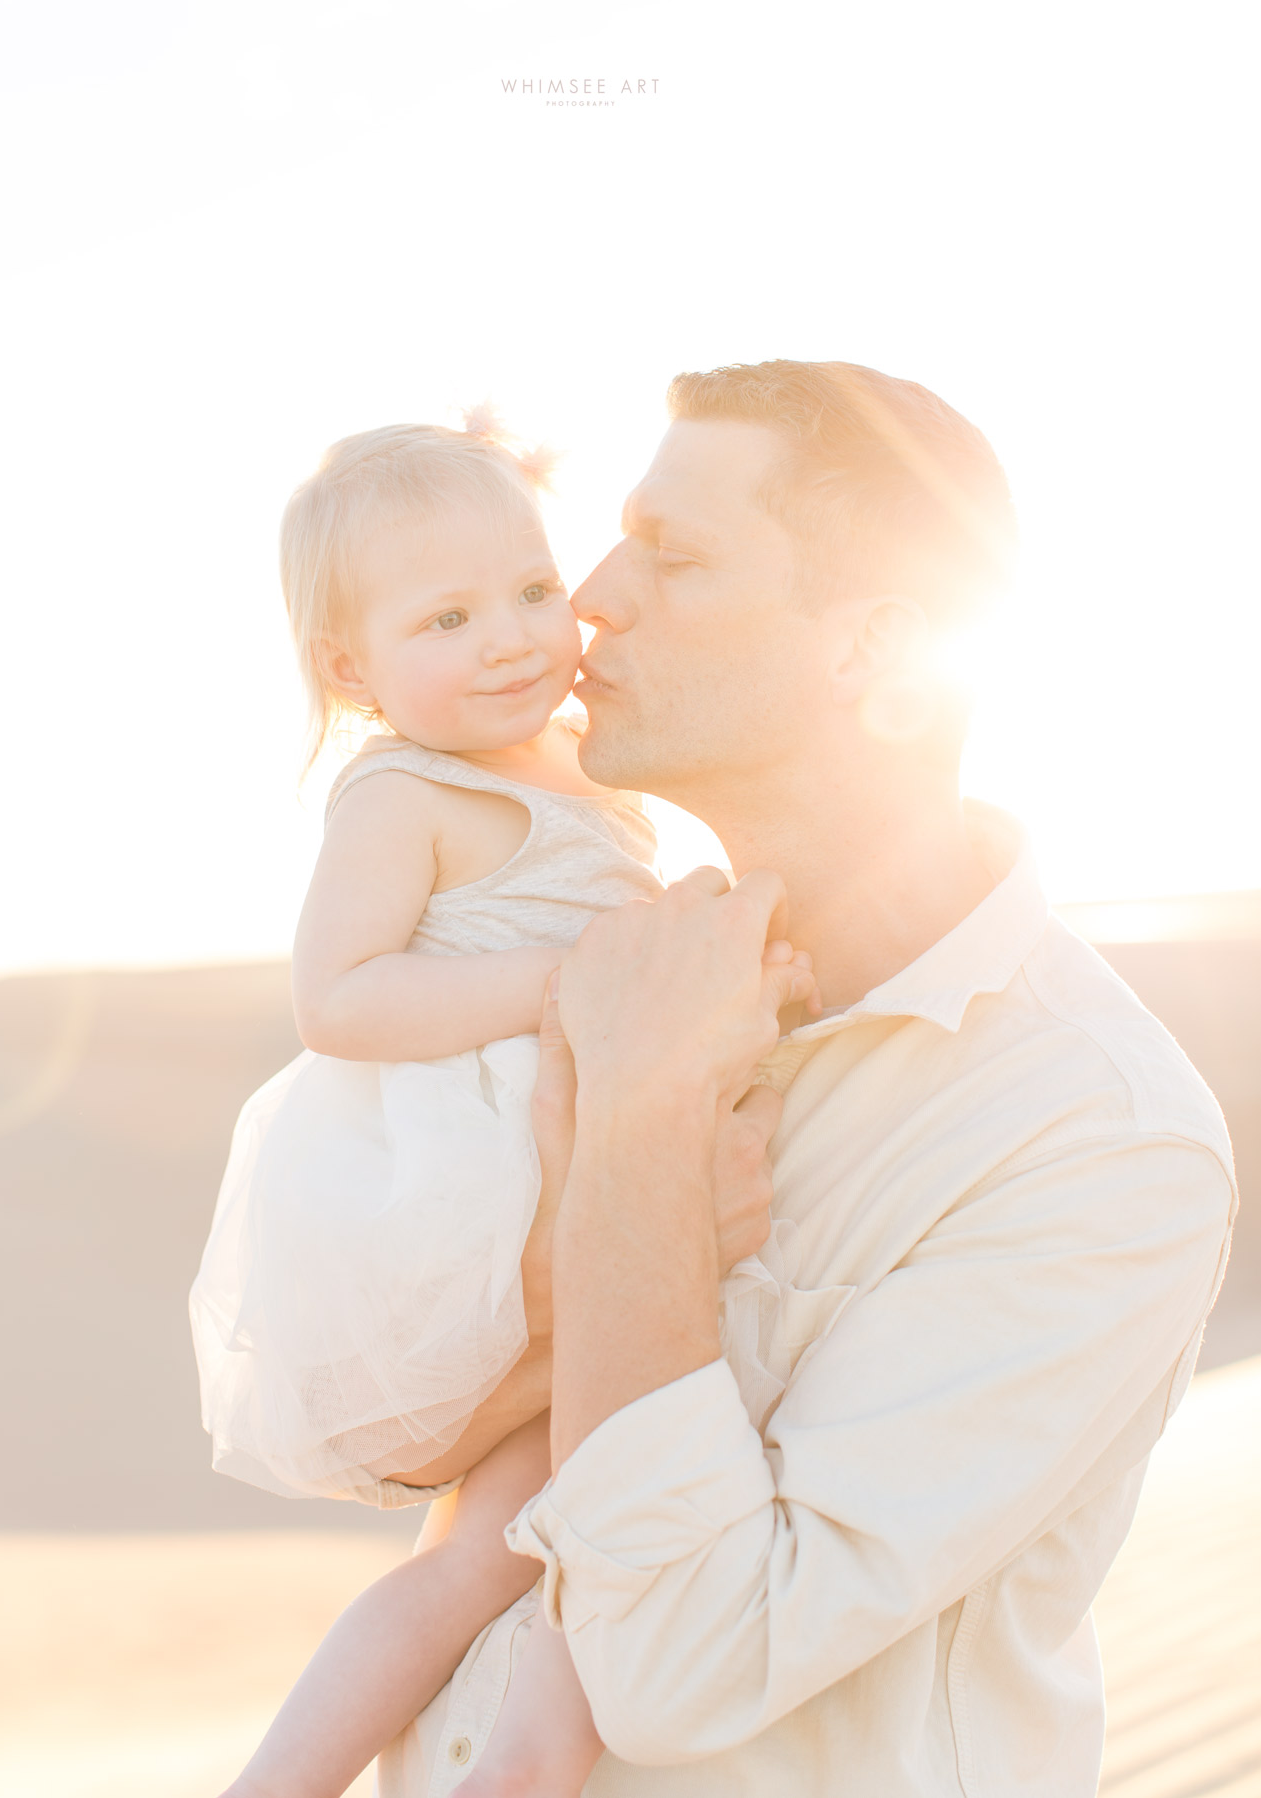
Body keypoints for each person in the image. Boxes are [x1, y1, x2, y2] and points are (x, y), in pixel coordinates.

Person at [378, 360, 1236, 1797]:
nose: (589, 591)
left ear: (877, 653)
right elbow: (395, 1436)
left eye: (677, 554)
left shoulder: (1094, 1137)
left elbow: (682, 1665)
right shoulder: (628, 964)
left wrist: (641, 1129)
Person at [190, 416, 813, 1798]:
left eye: (532, 590)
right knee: (596, 1477)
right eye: (447, 617)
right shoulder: (405, 794)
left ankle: (524, 1751)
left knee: (545, 1520)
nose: (512, 637)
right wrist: (577, 977)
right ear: (351, 670)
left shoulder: (591, 758)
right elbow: (337, 998)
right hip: (490, 1196)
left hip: (608, 1162)